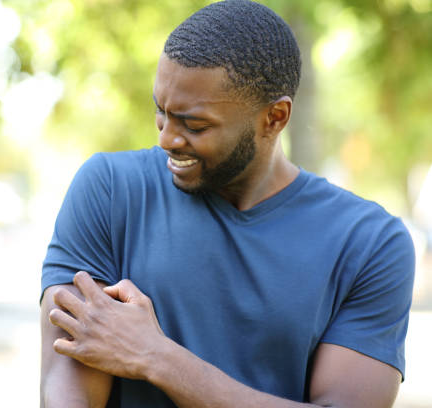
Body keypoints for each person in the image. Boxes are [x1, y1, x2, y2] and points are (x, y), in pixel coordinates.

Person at [39, 1, 415, 407]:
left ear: (274, 117)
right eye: (161, 111)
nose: (167, 138)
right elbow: (68, 385)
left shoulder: (370, 244)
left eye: (194, 125)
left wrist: (159, 358)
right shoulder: (111, 191)